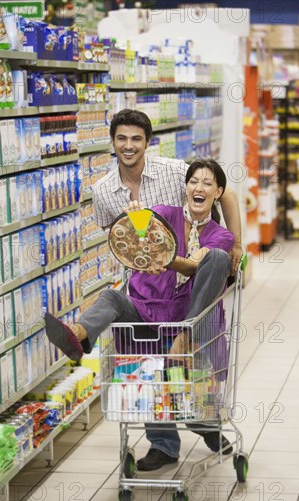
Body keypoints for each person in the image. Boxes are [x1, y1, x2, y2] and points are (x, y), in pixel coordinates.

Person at [45, 158, 235, 470]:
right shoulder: (165, 213)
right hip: (149, 313)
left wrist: (166, 256)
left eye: (207, 183)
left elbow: (194, 265)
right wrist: (137, 225)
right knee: (112, 297)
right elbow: (140, 233)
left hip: (190, 319)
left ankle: (207, 424)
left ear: (218, 192)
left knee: (214, 259)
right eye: (193, 182)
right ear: (185, 188)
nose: (198, 188)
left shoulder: (220, 236)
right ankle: (79, 336)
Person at [92, 108, 243, 274]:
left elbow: (226, 194)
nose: (128, 146)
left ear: (147, 142)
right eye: (122, 138)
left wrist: (236, 245)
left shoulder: (172, 170)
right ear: (112, 141)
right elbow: (112, 233)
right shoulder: (102, 190)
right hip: (141, 277)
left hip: (181, 269)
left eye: (136, 139)